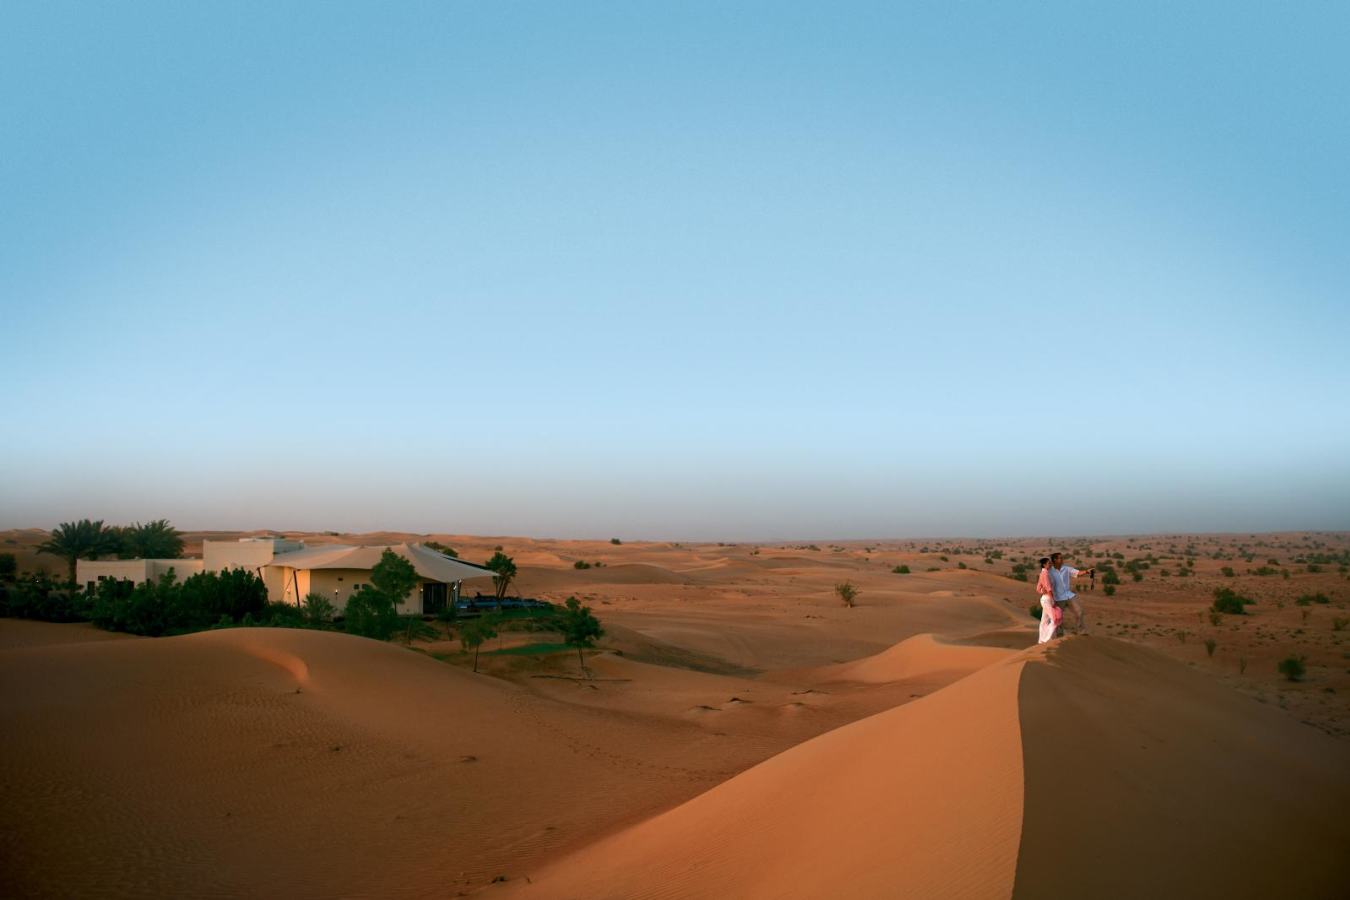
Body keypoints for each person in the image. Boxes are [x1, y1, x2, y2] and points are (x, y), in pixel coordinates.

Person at [1048, 552, 1093, 633]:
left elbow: (1077, 573)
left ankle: (1081, 631)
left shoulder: (1066, 569)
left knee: (1079, 611)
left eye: (1062, 558)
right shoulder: (1050, 571)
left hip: (1069, 595)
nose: (1062, 559)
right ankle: (1059, 634)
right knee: (1058, 616)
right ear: (1055, 560)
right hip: (1058, 598)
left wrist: (1086, 571)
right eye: (1060, 558)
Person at [1035, 556, 1060, 644]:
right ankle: (1047, 638)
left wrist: (1043, 591)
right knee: (1055, 619)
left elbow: (1038, 589)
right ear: (1044, 565)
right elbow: (1048, 588)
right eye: (1049, 563)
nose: (1050, 564)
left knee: (1044, 620)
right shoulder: (1045, 574)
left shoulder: (1044, 573)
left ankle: (1042, 640)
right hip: (1048, 599)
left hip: (1046, 599)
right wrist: (1053, 599)